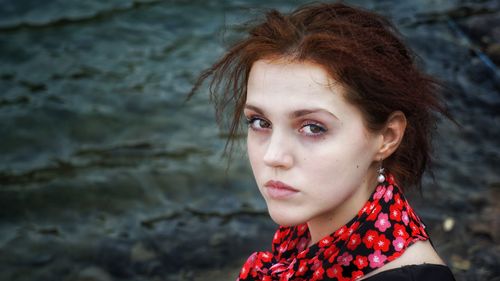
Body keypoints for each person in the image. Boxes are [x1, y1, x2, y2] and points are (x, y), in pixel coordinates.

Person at [188, 2, 456, 280]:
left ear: (387, 137)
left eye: (313, 128)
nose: (273, 156)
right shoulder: (315, 235)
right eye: (260, 122)